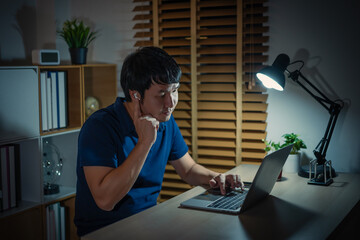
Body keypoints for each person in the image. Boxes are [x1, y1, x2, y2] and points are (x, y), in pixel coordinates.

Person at [74, 46, 243, 236]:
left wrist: (217, 178)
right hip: (105, 231)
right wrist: (144, 143)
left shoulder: (164, 120)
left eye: (175, 90)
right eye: (162, 94)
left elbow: (187, 170)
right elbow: (105, 201)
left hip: (148, 222)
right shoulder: (99, 127)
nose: (171, 103)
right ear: (135, 95)